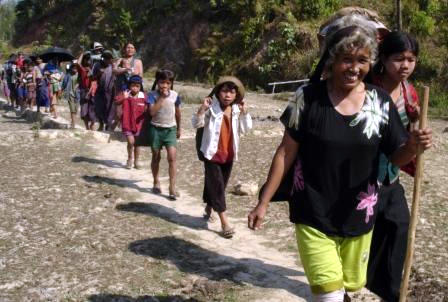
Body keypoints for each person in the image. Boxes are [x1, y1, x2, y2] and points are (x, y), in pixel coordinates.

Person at [247, 25, 432, 302]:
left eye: (362, 61)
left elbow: (396, 157)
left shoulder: (379, 102)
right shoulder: (308, 98)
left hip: (359, 215)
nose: (354, 68)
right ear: (332, 59)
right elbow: (285, 152)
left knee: (349, 286)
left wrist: (413, 147)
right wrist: (263, 201)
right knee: (329, 295)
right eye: (347, 59)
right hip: (313, 211)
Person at [365, 31, 421, 302]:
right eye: (399, 59)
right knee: (365, 233)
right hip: (362, 176)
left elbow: (411, 132)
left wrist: (419, 135)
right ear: (384, 59)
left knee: (399, 225)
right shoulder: (364, 88)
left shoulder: (410, 94)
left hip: (391, 173)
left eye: (411, 59)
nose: (405, 66)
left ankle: (389, 290)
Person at [192, 76, 252, 238]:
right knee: (218, 186)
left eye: (232, 92)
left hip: (229, 155)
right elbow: (196, 124)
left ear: (236, 95)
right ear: (218, 93)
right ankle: (224, 222)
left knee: (220, 185)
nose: (228, 95)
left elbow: (246, 130)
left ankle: (209, 206)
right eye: (224, 91)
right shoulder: (211, 108)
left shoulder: (237, 110)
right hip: (211, 154)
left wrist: (245, 114)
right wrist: (201, 110)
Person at [147, 69, 181, 200]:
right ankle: (156, 181)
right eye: (162, 82)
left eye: (168, 83)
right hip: (156, 129)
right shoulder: (152, 95)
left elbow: (178, 113)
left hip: (170, 129)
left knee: (172, 157)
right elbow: (152, 113)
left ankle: (172, 187)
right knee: (156, 156)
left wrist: (179, 128)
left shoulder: (175, 95)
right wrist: (161, 98)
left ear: (171, 83)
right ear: (157, 82)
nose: (165, 86)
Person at [115, 75, 147, 169]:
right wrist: (123, 98)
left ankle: (136, 161)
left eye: (137, 86)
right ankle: (129, 159)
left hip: (139, 125)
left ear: (140, 86)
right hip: (127, 123)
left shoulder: (143, 96)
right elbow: (116, 102)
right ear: (129, 85)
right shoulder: (125, 94)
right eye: (133, 85)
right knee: (131, 142)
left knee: (138, 144)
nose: (135, 88)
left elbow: (149, 106)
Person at [93, 50, 116, 131]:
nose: (107, 60)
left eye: (109, 58)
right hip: (100, 90)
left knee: (110, 108)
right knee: (99, 107)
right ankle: (101, 124)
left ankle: (108, 125)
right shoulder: (97, 65)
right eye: (106, 58)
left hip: (110, 90)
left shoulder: (113, 66)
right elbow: (93, 77)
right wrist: (99, 73)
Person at [75, 51, 96, 130]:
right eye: (86, 59)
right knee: (84, 110)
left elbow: (94, 82)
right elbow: (78, 63)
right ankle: (87, 127)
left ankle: (92, 125)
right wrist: (82, 54)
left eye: (89, 59)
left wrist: (90, 92)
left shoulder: (93, 69)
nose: (87, 61)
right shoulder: (82, 69)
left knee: (93, 109)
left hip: (92, 91)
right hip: (84, 91)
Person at [62, 63, 80, 128]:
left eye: (76, 68)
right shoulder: (68, 75)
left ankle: (72, 121)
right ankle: (73, 124)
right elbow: (64, 83)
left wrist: (77, 86)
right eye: (73, 68)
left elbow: (81, 82)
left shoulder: (79, 75)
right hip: (70, 93)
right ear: (71, 68)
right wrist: (62, 90)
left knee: (76, 109)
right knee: (72, 109)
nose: (75, 69)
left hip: (77, 94)